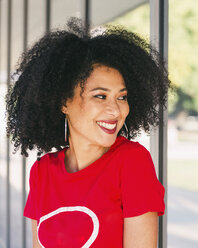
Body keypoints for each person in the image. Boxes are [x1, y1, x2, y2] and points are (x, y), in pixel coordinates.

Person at [6, 18, 170, 248]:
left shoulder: (131, 161)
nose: (115, 109)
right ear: (64, 101)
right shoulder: (42, 173)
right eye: (100, 96)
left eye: (121, 97)